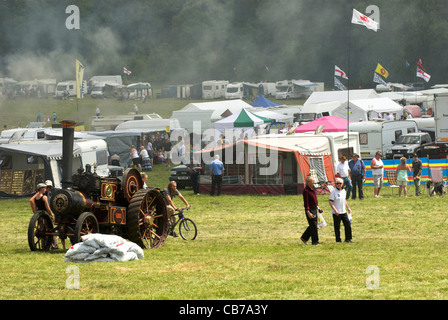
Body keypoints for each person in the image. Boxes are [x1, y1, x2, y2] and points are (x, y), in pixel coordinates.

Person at [29, 183, 65, 250]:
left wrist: (36, 215)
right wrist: (51, 215)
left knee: (42, 230)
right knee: (52, 229)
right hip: (46, 216)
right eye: (44, 188)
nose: (45, 189)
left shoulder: (36, 198)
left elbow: (35, 209)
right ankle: (54, 245)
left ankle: (43, 246)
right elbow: (48, 208)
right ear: (41, 189)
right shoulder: (44, 197)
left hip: (39, 215)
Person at [329, 178, 353, 243]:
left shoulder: (343, 191)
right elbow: (330, 202)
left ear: (342, 184)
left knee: (347, 224)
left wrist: (348, 208)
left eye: (340, 183)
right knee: (337, 226)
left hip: (343, 211)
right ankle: (338, 240)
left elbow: (344, 200)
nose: (338, 185)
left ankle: (348, 239)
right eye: (337, 183)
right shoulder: (333, 192)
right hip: (336, 212)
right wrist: (335, 210)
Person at [300, 176, 322, 246]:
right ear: (308, 182)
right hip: (310, 210)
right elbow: (306, 203)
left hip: (315, 209)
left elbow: (314, 201)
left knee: (313, 225)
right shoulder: (306, 191)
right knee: (314, 226)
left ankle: (304, 238)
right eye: (312, 181)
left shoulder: (312, 189)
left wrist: (318, 208)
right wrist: (308, 212)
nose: (314, 182)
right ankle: (315, 242)